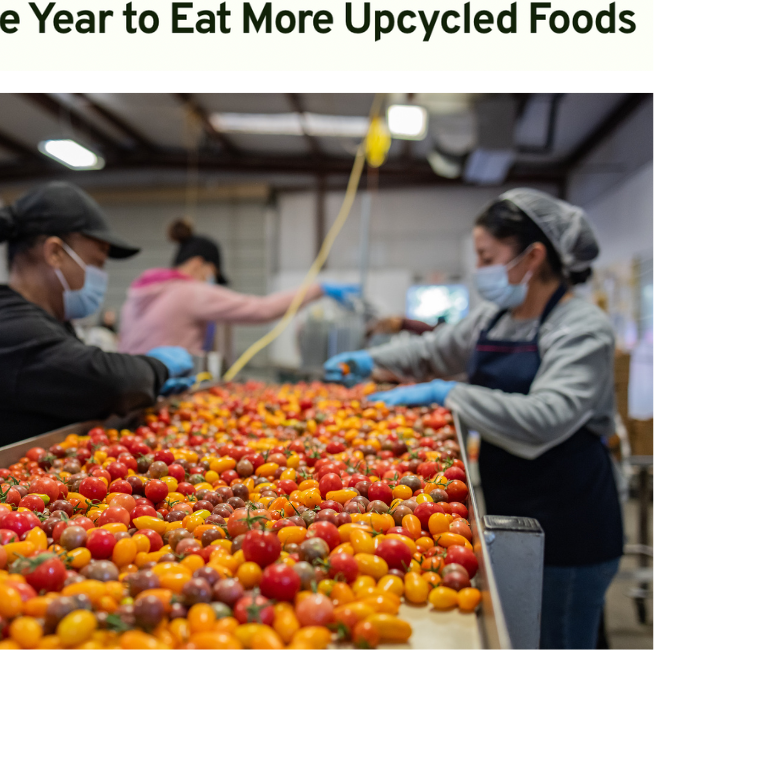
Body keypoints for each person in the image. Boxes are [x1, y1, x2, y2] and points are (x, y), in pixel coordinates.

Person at [324, 188, 623, 649]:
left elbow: (547, 416)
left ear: (533, 255)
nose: (480, 268)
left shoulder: (581, 327)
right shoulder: (494, 317)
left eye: (486, 256)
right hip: (511, 499)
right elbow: (431, 351)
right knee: (520, 631)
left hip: (571, 516)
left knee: (560, 638)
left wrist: (451, 394)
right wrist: (369, 360)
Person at [0, 182, 194, 461]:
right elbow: (110, 381)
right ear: (55, 253)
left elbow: (82, 383)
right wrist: (158, 368)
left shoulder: (28, 320)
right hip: (0, 498)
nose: (101, 277)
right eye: (97, 263)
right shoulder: (4, 330)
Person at [118, 218, 360, 355]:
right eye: (212, 274)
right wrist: (317, 289)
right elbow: (262, 309)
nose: (210, 282)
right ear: (198, 264)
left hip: (134, 391)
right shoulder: (191, 293)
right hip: (169, 394)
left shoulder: (141, 291)